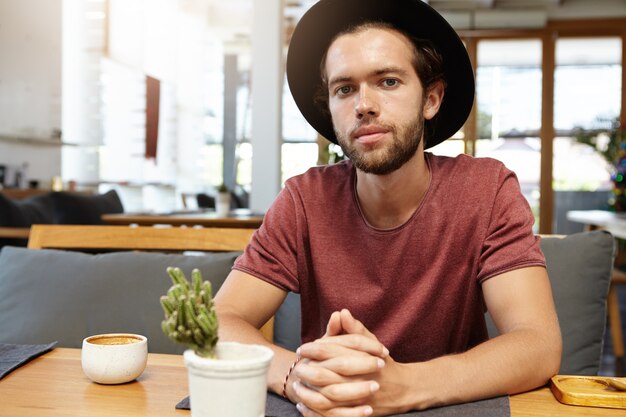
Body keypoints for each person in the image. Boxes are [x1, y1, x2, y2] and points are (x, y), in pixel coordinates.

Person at [214, 0, 562, 415]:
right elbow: (220, 321)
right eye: (344, 89)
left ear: (431, 99)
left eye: (389, 82)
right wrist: (296, 377)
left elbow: (537, 343)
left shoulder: (486, 190)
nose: (364, 104)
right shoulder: (304, 199)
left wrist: (404, 386)